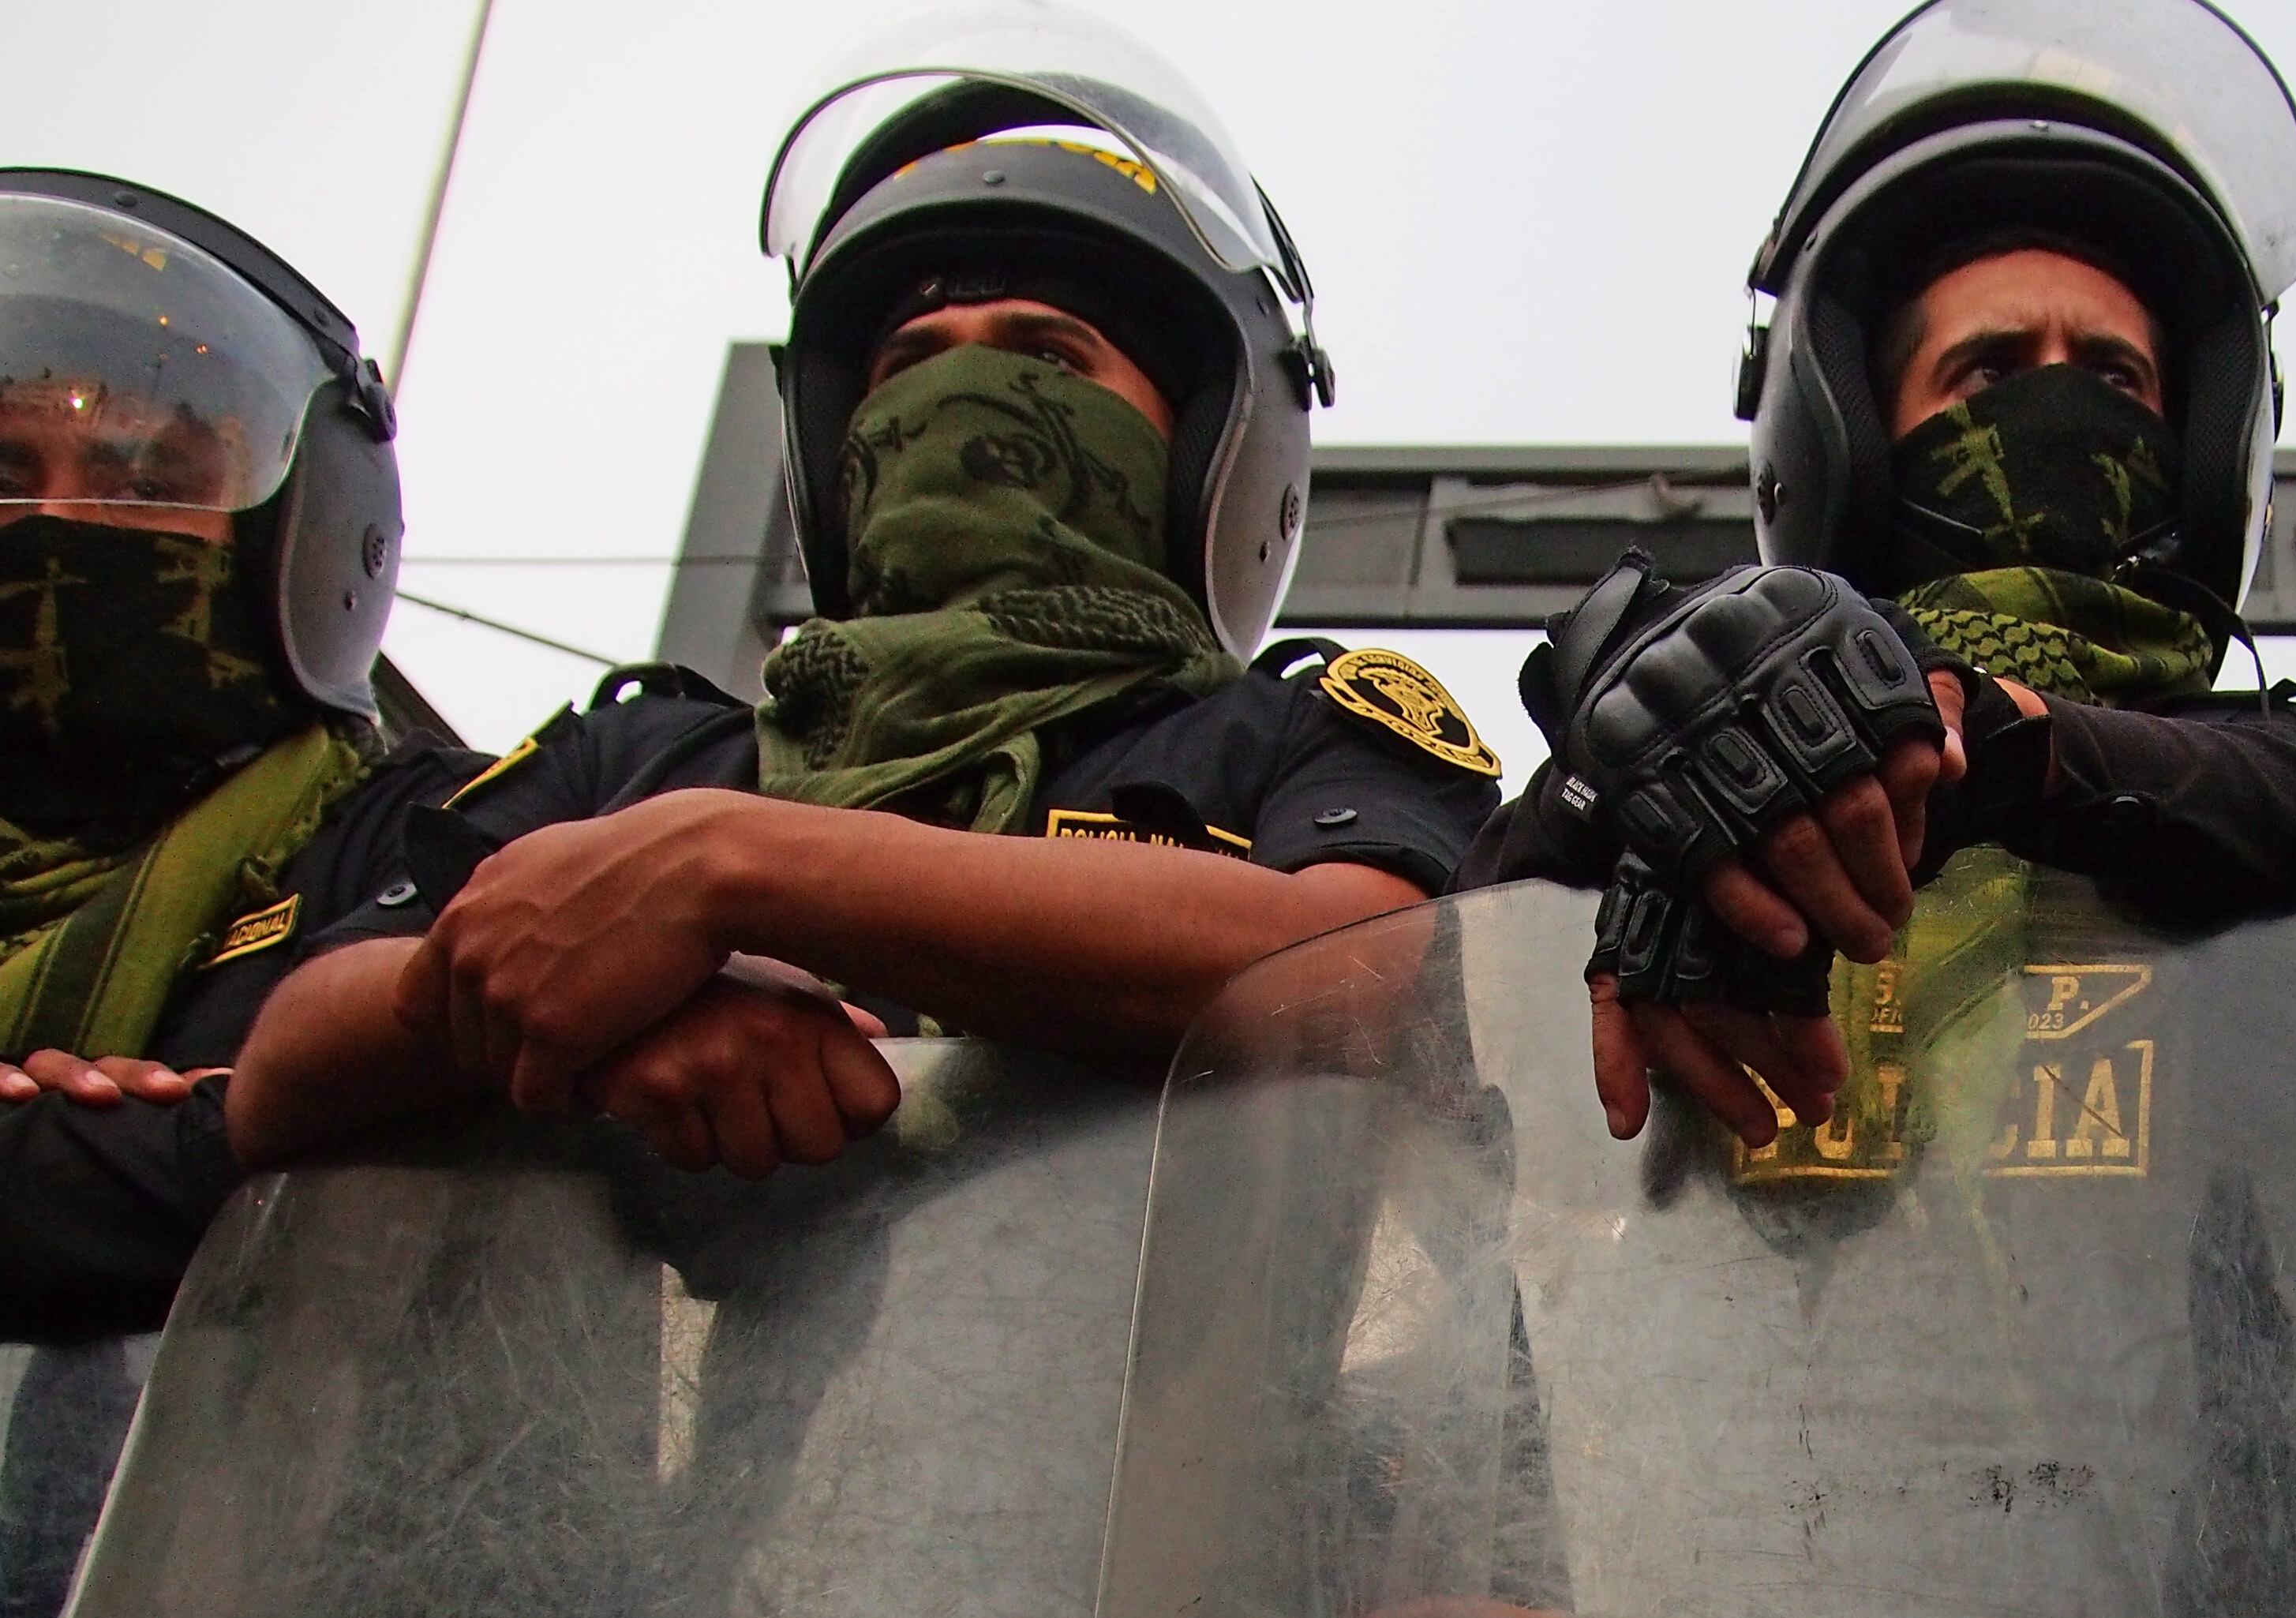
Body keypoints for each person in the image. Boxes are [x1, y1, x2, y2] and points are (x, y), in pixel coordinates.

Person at [223, 25, 1498, 1179]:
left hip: (1171, 1426)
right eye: (909, 365)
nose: (960, 404)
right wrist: (626, 1014)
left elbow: (1355, 972)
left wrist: (728, 871)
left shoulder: (1293, 733)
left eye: (1047, 358)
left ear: (1213, 451)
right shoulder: (645, 752)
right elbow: (290, 1046)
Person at [1462, 0, 2296, 1150]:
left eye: (2116, 380)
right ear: (1851, 444)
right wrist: (1628, 767)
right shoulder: (1699, 799)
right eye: (1988, 373)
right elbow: (1441, 1008)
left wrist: (2015, 745)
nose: (2058, 407)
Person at [0, 170, 459, 1339]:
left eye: (149, 482)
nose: (57, 524)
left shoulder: (436, 852)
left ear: (299, 543)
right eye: (3, 478)